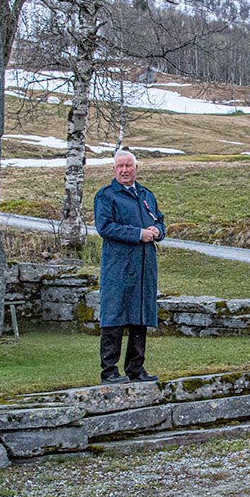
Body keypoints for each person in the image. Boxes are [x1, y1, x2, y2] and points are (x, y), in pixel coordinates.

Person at [94, 149, 165, 384]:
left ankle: (136, 368)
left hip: (144, 267)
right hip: (118, 266)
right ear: (114, 170)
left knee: (140, 316)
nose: (124, 170)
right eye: (120, 167)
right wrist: (138, 234)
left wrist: (157, 231)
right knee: (114, 316)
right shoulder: (106, 196)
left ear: (136, 168)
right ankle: (109, 371)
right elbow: (105, 227)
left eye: (128, 166)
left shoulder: (146, 195)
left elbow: (159, 220)